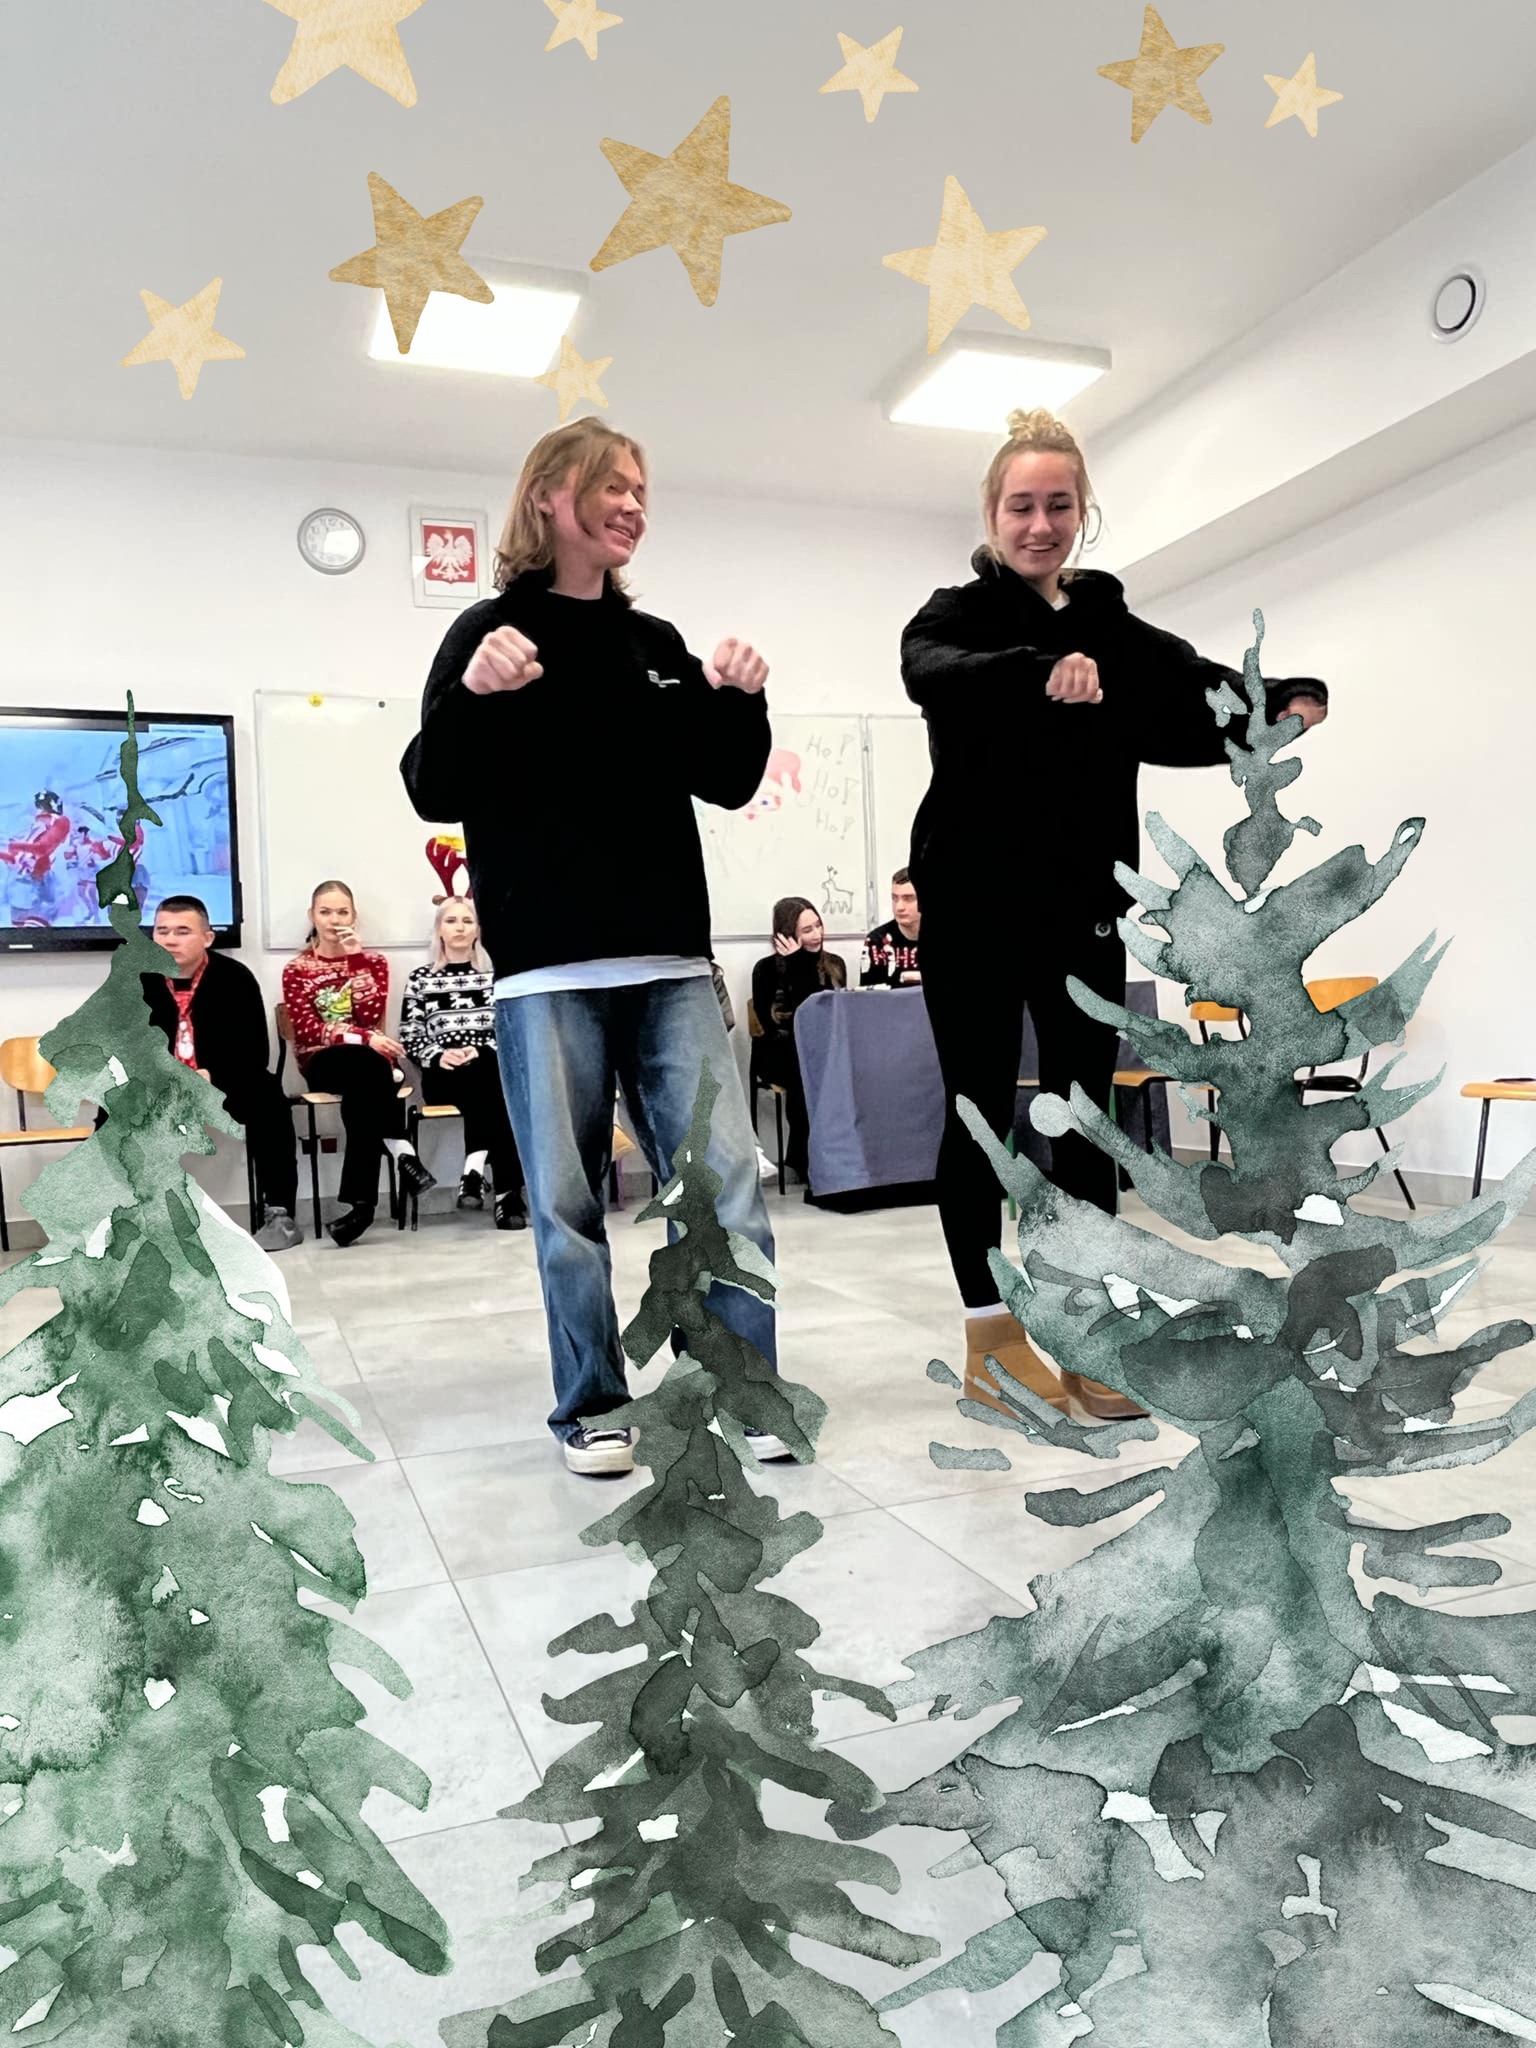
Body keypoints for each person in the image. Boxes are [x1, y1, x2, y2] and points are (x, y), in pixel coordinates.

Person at [905, 407, 1329, 1421]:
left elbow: (1194, 699)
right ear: (992, 513)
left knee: (1085, 1117)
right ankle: (991, 1339)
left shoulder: (1113, 626)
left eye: (1059, 504)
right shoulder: (955, 617)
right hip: (969, 900)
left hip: (1081, 904)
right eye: (1021, 505)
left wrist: (1281, 700)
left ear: (1082, 511)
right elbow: (932, 674)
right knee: (979, 1113)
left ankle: (1089, 1333)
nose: (1040, 524)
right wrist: (1036, 671)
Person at [401, 418, 789, 1478]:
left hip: (670, 966)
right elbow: (433, 783)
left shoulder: (653, 644)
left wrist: (743, 697)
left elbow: (728, 776)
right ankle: (591, 1405)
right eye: (610, 485)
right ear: (548, 496)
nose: (631, 504)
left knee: (722, 1191)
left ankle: (741, 1386)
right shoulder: (486, 631)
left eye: (639, 489)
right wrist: (475, 695)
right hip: (545, 974)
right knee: (569, 1209)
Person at [142, 895, 304, 1253]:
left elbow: (255, 1052)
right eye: (162, 931)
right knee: (114, 1102)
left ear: (207, 938)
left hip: (220, 1085)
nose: (170, 940)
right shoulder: (138, 980)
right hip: (160, 1086)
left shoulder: (235, 978)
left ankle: (280, 1214)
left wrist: (212, 1074)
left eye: (182, 931)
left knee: (268, 1097)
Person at [281, 880, 435, 1247]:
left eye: (342, 912)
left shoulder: (374, 963)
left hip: (368, 1065)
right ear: (312, 916)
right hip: (322, 1060)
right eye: (325, 912)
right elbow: (308, 1029)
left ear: (354, 916)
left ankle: (361, 1210)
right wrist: (364, 1039)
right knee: (375, 1071)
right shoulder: (297, 968)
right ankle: (400, 1150)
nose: (334, 920)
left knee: (365, 1090)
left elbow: (370, 1014)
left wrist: (356, 961)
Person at [401, 898, 527, 1228]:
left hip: (488, 1067)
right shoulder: (421, 979)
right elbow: (410, 1035)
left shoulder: (496, 976)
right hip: (443, 1076)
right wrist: (438, 1055)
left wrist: (480, 1049)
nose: (459, 927)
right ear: (439, 930)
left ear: (477, 930)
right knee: (497, 1092)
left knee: (488, 1076)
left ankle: (475, 1171)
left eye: (467, 921)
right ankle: (504, 1194)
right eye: (451, 921)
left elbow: (513, 1028)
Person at [750, 898, 847, 1188]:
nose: (817, 935)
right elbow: (780, 1023)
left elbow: (829, 1015)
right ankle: (806, 1161)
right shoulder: (765, 969)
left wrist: (801, 965)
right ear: (786, 935)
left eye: (818, 926)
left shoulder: (834, 965)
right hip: (780, 1050)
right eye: (807, 930)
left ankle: (828, 1157)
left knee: (836, 1070)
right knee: (804, 1074)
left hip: (825, 1049)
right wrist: (797, 965)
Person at [860, 868, 922, 988]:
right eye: (894, 898)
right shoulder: (877, 941)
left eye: (908, 899)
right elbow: (869, 995)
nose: (899, 907)